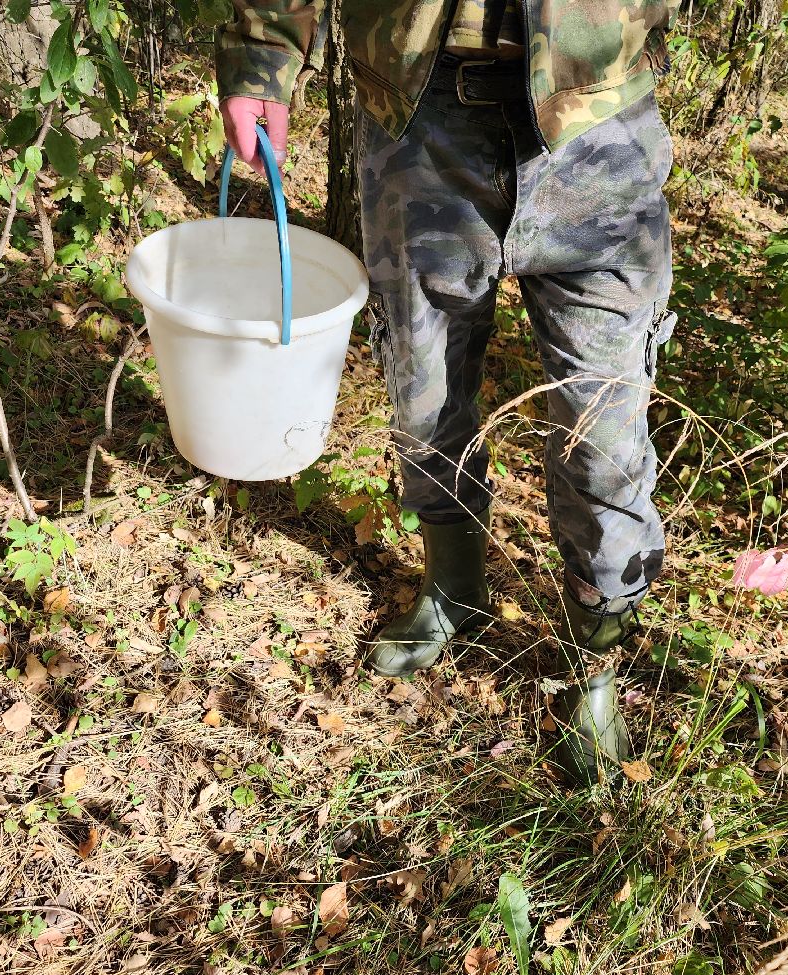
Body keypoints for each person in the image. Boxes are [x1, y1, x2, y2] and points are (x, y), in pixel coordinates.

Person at [217, 1, 678, 785]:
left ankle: (593, 660)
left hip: (600, 125)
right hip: (418, 118)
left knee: (605, 431)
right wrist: (263, 53)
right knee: (424, 392)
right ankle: (455, 588)